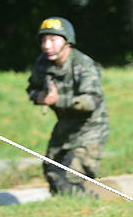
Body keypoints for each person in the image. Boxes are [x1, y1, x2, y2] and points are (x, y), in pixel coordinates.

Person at [25, 17, 109, 196]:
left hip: (90, 129)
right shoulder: (43, 63)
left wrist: (57, 100)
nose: (47, 45)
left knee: (68, 178)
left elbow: (90, 102)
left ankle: (93, 207)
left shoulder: (84, 66)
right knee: (51, 173)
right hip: (64, 127)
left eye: (53, 39)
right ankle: (64, 211)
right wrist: (37, 96)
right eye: (43, 40)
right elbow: (32, 88)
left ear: (67, 42)